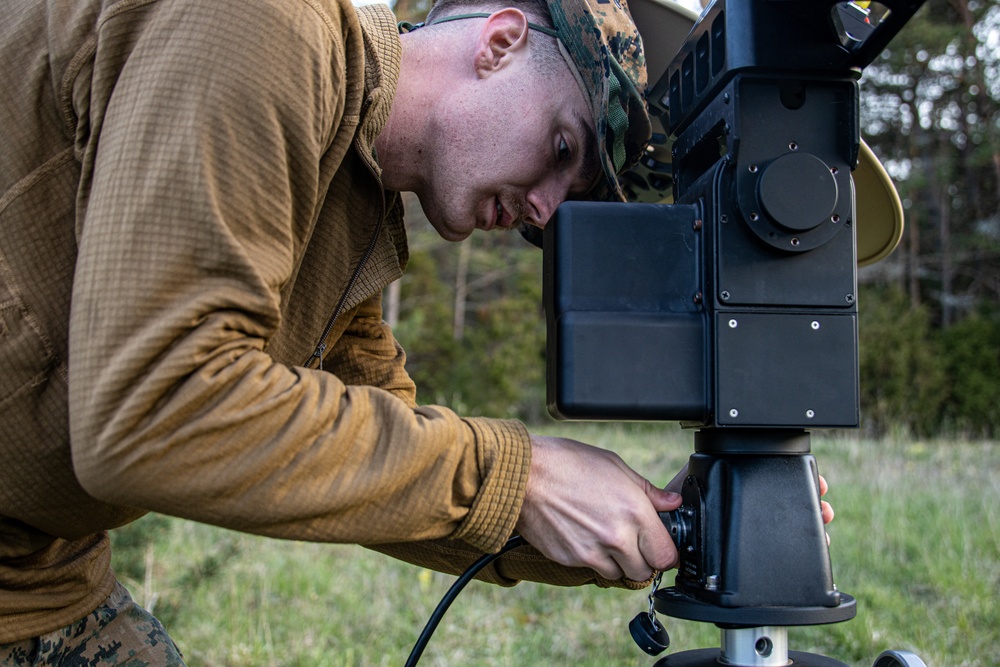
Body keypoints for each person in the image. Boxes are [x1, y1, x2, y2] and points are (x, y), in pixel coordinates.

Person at [0, 0, 832, 663]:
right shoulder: (267, 24)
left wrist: (658, 521)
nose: (542, 210)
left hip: (40, 573)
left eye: (564, 205)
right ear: (501, 41)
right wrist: (528, 475)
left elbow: (409, 476)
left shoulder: (350, 217)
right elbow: (156, 410)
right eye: (559, 148)